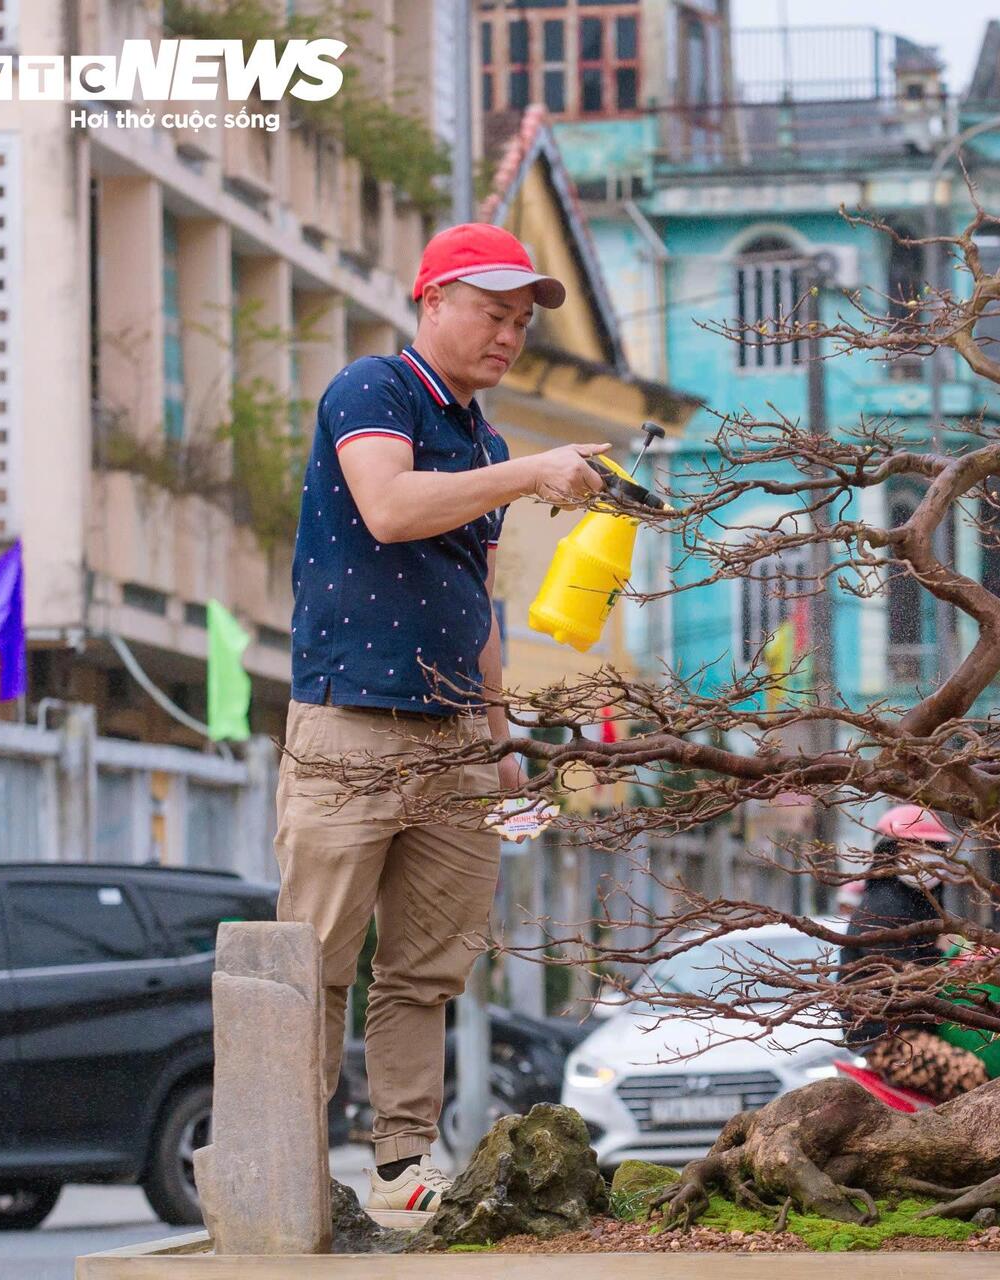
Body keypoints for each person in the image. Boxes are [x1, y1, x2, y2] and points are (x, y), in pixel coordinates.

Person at [275, 223, 613, 1213]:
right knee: (316, 955)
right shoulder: (376, 388)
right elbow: (386, 506)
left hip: (459, 734)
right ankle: (289, 1154)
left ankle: (402, 1159)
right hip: (351, 719)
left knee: (427, 966)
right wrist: (527, 474)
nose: (509, 333)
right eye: (491, 309)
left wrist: (502, 733)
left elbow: (479, 596)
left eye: (520, 320)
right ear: (432, 300)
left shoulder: (487, 439)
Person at [839, 806, 989, 1100]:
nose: (925, 855)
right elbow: (912, 976)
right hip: (889, 1041)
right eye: (914, 848)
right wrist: (958, 964)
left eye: (932, 847)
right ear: (889, 853)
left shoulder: (920, 901)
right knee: (974, 1074)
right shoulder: (881, 909)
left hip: (919, 1030)